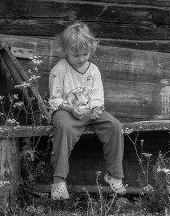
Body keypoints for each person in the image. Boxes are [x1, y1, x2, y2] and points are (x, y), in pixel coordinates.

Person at [48, 22, 125, 200]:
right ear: (66, 51)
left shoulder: (93, 70)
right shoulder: (59, 70)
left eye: (85, 54)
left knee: (114, 125)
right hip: (66, 111)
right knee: (64, 128)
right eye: (76, 55)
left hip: (89, 111)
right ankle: (59, 180)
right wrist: (70, 108)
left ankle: (115, 174)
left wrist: (97, 108)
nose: (82, 59)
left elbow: (97, 95)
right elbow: (55, 99)